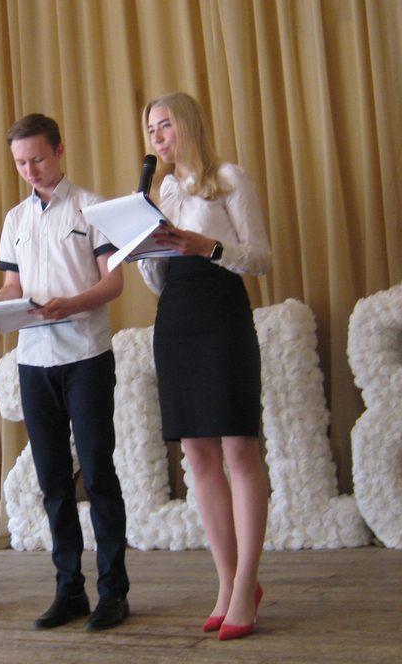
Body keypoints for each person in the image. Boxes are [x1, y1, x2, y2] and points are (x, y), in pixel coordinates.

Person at [0, 113, 130, 631]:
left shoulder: (92, 207)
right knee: (53, 480)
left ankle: (114, 591)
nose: (30, 169)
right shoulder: (15, 219)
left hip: (85, 355)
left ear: (59, 150)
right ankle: (69, 589)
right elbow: (14, 288)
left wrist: (70, 304)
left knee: (98, 474)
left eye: (37, 158)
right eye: (20, 163)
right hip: (34, 361)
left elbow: (113, 284)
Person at [138, 92, 271, 641]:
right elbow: (158, 280)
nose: (157, 137)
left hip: (221, 313)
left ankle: (247, 583)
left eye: (165, 125)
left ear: (189, 124)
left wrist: (206, 246)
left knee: (239, 447)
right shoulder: (162, 193)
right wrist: (145, 250)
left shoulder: (229, 178)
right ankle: (226, 580)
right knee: (197, 452)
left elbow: (260, 257)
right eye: (150, 130)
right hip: (176, 317)